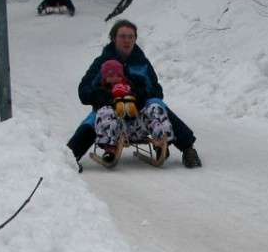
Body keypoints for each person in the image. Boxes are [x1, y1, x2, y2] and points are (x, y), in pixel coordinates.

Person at [68, 19, 202, 168]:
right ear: (113, 38)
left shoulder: (142, 62)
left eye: (131, 36)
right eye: (123, 36)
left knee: (157, 105)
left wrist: (141, 96)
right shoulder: (102, 62)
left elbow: (156, 90)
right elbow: (84, 89)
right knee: (96, 117)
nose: (127, 40)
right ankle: (70, 156)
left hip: (138, 109)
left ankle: (186, 148)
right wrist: (101, 96)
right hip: (111, 108)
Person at [91, 59, 174, 162]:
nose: (115, 78)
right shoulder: (101, 91)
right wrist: (113, 100)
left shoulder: (131, 86)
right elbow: (98, 102)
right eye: (111, 76)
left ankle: (161, 144)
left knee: (154, 107)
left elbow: (144, 97)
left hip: (137, 127)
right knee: (105, 111)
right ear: (105, 78)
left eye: (118, 75)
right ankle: (110, 149)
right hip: (117, 131)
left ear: (123, 76)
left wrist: (133, 98)